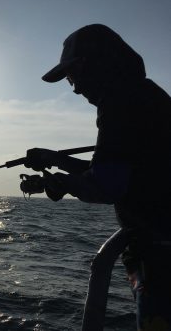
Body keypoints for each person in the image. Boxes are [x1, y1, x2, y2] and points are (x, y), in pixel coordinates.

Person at [23, 24, 171, 330]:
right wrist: (54, 158)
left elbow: (106, 186)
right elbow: (108, 169)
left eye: (73, 77)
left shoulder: (118, 101)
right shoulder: (143, 94)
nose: (75, 89)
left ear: (96, 64)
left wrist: (61, 183)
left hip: (162, 251)